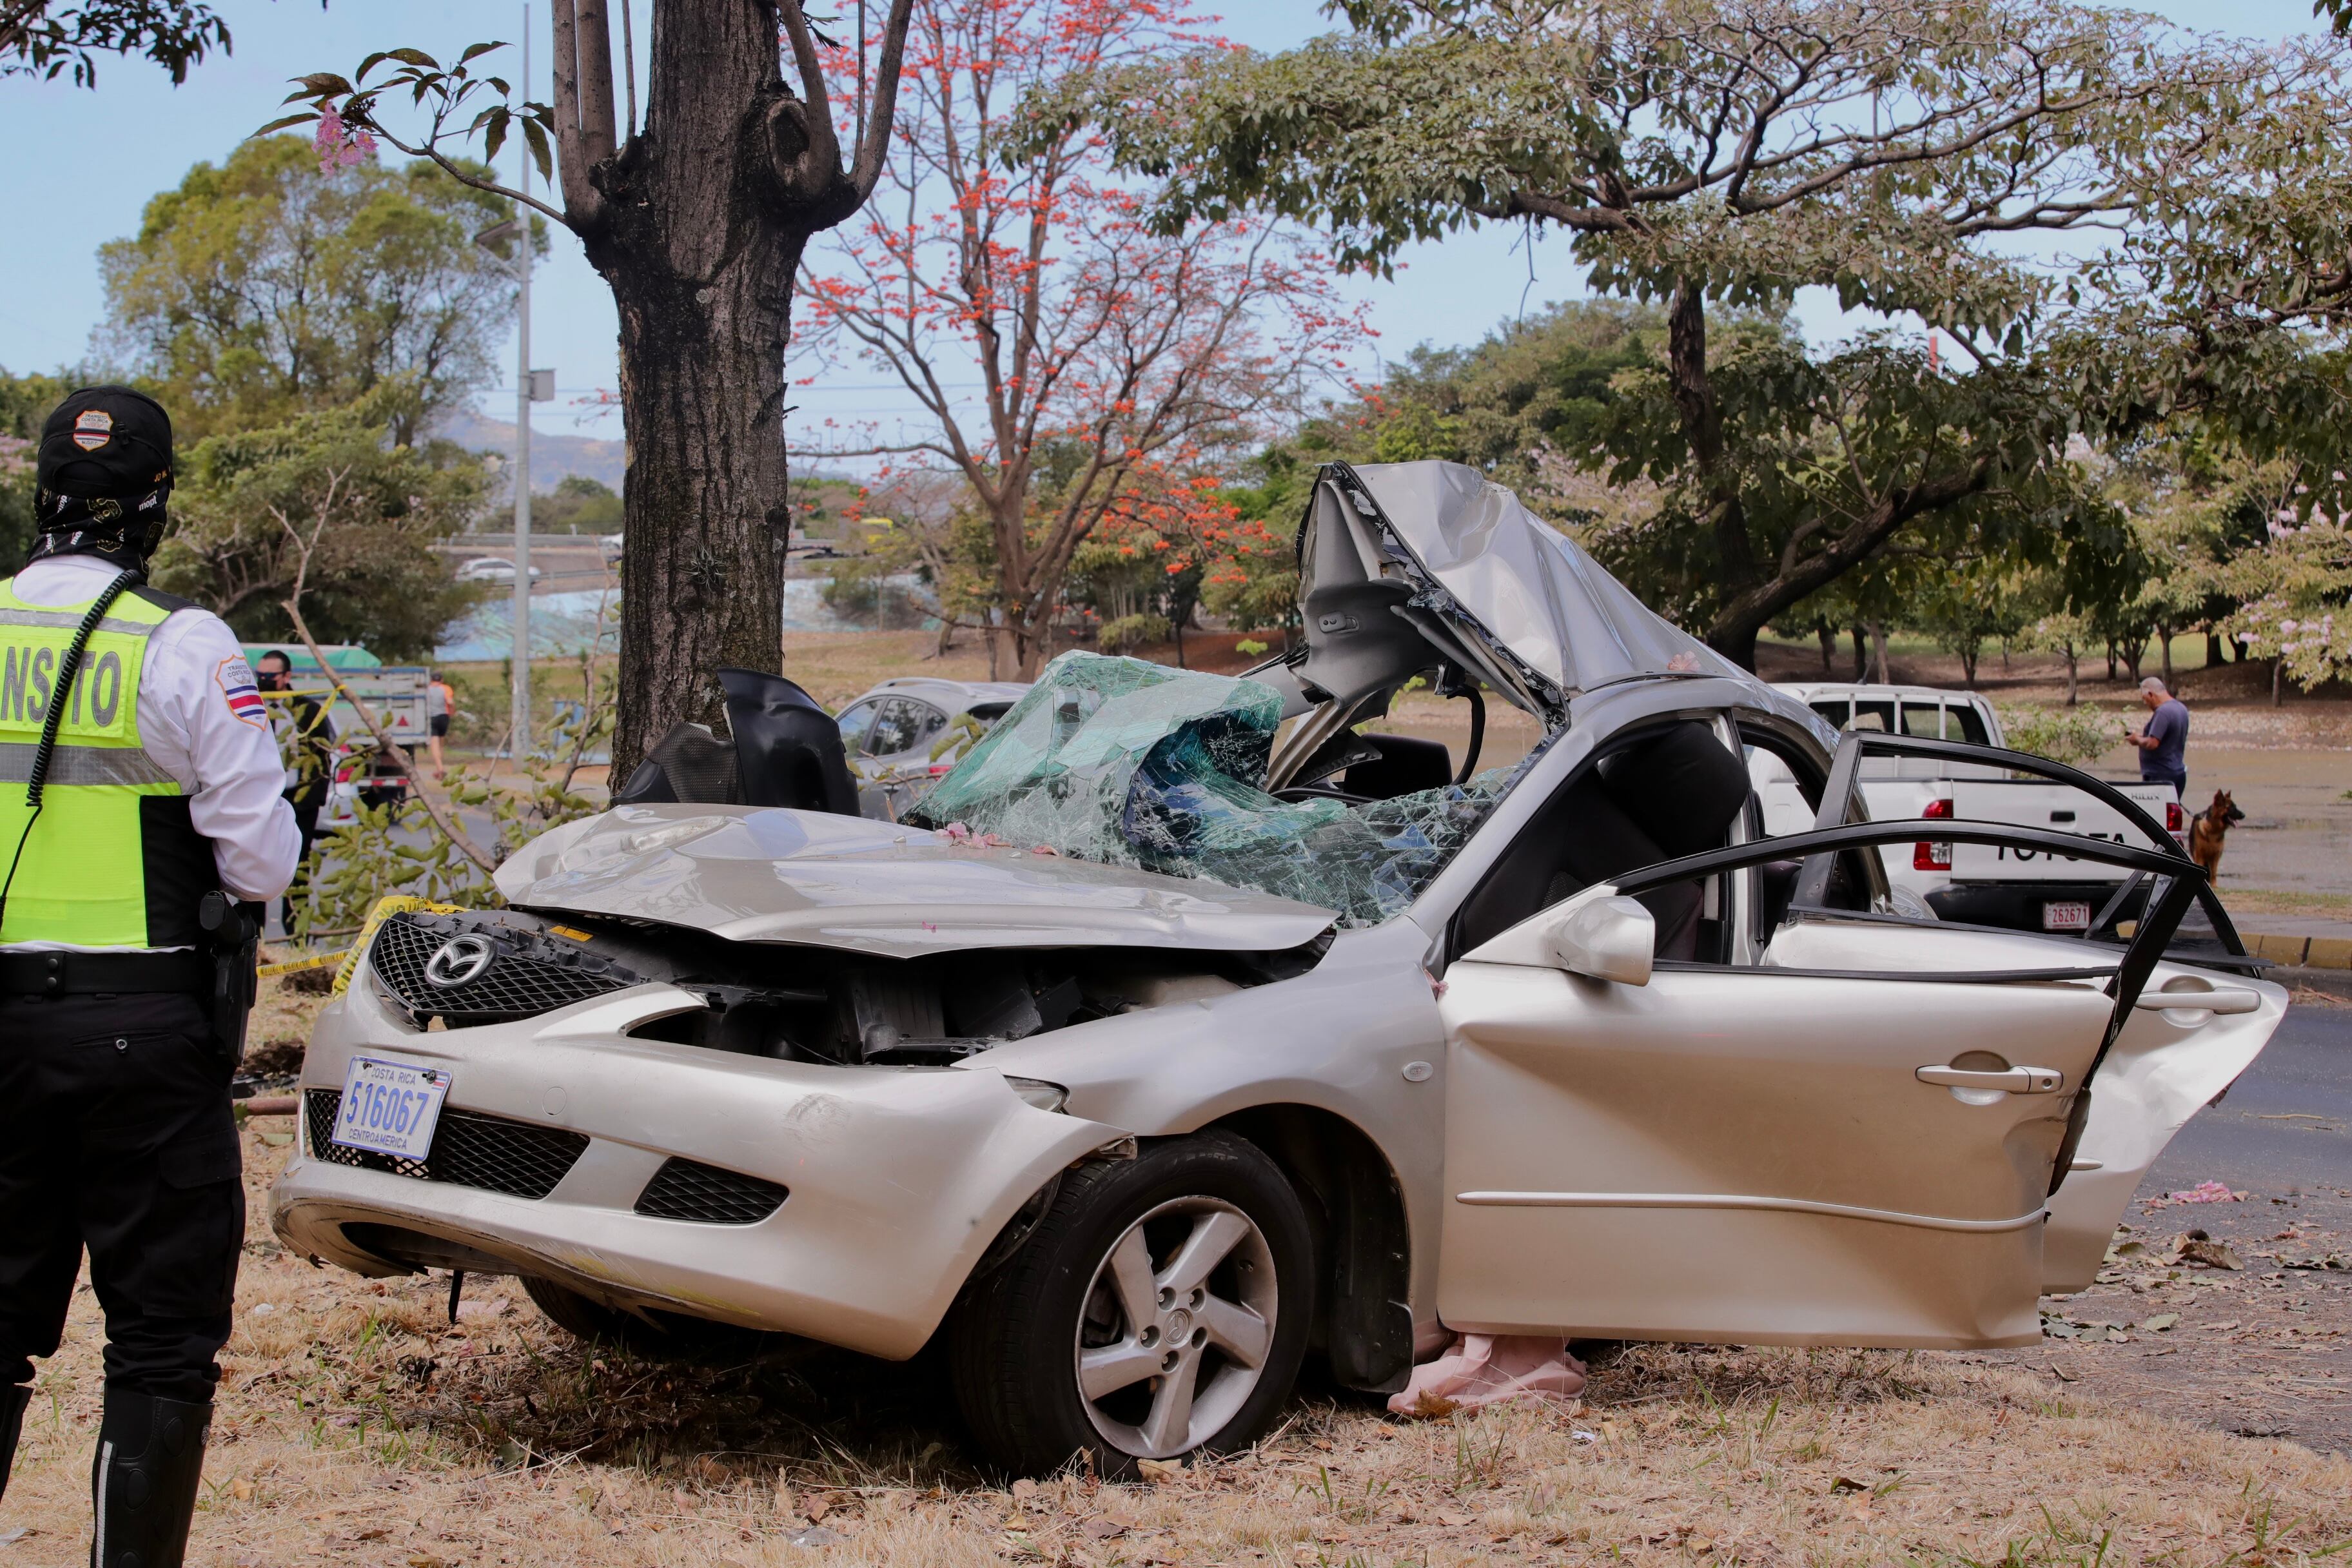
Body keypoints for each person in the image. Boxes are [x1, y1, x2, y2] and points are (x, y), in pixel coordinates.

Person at [0, 387, 299, 1567]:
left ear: (41, 499)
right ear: (157, 505)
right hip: (144, 1031)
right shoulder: (182, 642)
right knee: (161, 1341)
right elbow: (260, 855)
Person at [253, 649, 336, 933]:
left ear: (287, 677)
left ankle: (298, 933)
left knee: (297, 868)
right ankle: (256, 935)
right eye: (259, 675)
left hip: (298, 802)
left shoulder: (307, 710)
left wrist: (311, 801)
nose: (263, 681)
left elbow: (323, 756)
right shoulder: (252, 707)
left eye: (269, 676)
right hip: (261, 801)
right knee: (256, 866)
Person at [2127, 675, 2190, 804]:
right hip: (2177, 772)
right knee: (2169, 816)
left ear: (2151, 694)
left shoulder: (2163, 712)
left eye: (2145, 699)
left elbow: (2153, 743)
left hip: (2160, 775)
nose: (2145, 703)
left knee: (2154, 817)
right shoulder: (2181, 708)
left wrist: (2137, 739)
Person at [425, 673, 455, 781]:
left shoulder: (427, 690)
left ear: (431, 680)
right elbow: (450, 702)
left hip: (432, 718)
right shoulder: (446, 688)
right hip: (444, 717)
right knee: (441, 743)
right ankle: (440, 767)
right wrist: (452, 712)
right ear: (441, 680)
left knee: (434, 744)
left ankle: (440, 768)